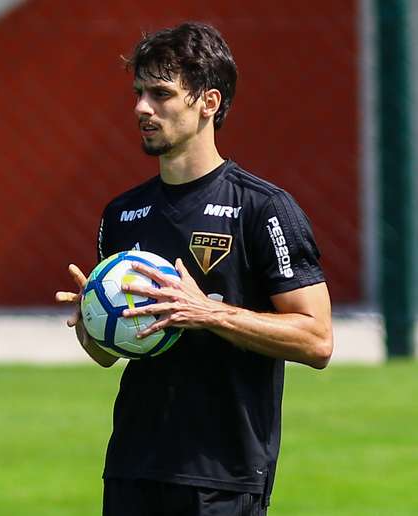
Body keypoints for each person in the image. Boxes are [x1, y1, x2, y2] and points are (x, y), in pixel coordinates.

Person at [55, 22, 333, 515]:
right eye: (139, 92)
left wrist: (208, 313)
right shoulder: (121, 213)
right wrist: (94, 320)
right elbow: (105, 356)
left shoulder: (263, 208)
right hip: (132, 465)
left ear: (208, 102)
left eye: (161, 94)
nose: (142, 108)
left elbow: (317, 341)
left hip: (223, 475)